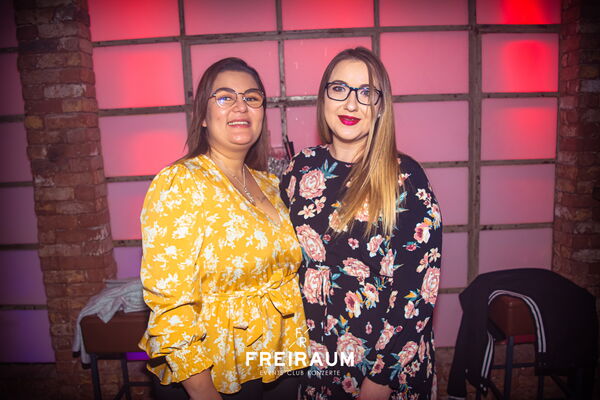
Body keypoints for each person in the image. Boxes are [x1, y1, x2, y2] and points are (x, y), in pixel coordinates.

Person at [139, 57, 309, 400]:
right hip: (214, 373)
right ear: (203, 115)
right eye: (225, 97)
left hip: (279, 361)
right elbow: (170, 303)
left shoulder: (270, 184)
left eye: (251, 98)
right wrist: (202, 391)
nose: (240, 106)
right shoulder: (181, 183)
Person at [280, 47, 442, 400]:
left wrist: (380, 380)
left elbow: (418, 292)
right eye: (339, 88)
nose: (351, 104)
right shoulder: (301, 168)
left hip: (383, 368)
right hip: (318, 359)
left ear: (381, 106)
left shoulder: (405, 177)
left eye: (366, 92)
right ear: (324, 97)